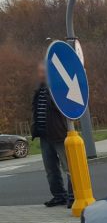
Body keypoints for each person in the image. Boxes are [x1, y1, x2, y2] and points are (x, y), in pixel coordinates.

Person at [31, 62, 74, 207]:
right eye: (40, 72)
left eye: (44, 72)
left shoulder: (58, 89)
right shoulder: (39, 89)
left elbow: (64, 107)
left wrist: (52, 90)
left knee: (68, 168)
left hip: (59, 134)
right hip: (44, 136)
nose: (41, 75)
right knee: (51, 169)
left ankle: (72, 196)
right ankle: (59, 196)